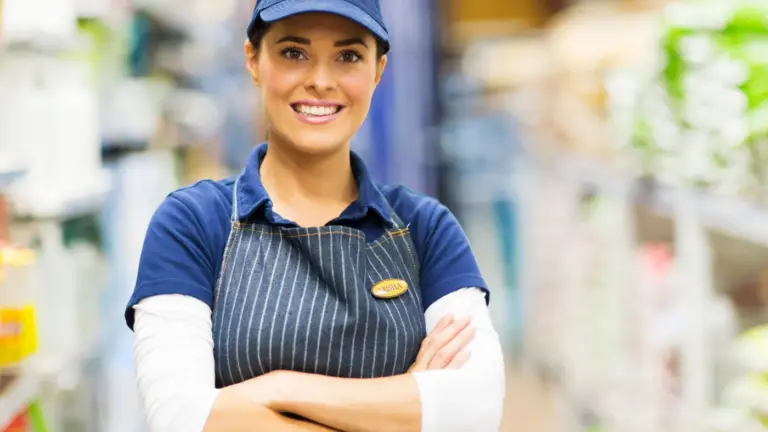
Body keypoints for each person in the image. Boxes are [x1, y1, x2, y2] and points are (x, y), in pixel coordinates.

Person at [125, 0, 506, 430]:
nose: (321, 81)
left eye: (348, 56)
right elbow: (179, 419)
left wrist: (278, 388)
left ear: (378, 70)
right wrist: (406, 405)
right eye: (293, 52)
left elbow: (475, 411)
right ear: (253, 60)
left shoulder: (424, 228)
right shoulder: (192, 223)